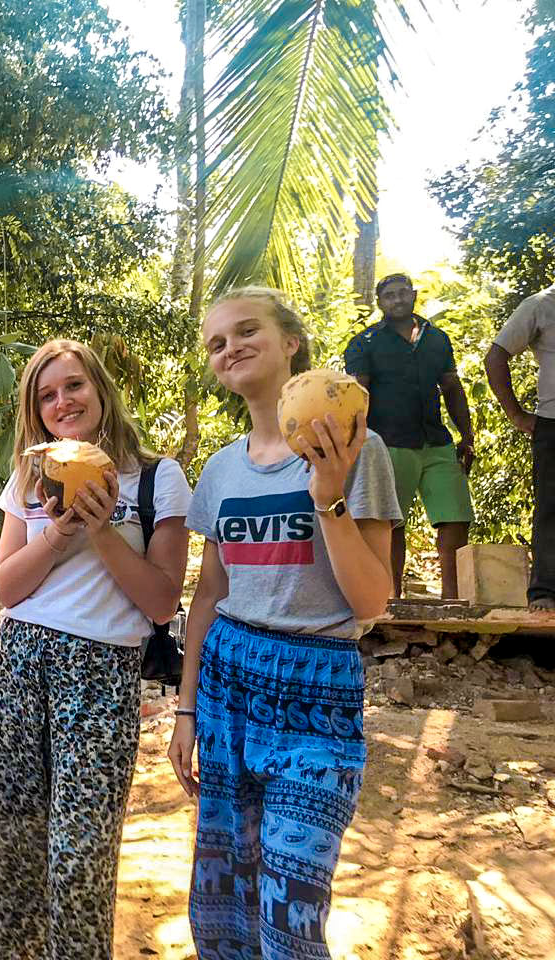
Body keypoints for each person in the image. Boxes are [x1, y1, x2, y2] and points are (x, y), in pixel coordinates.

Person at [170, 288, 401, 960]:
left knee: (290, 912)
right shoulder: (219, 470)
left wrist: (328, 497)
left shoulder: (361, 448)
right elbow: (210, 593)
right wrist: (185, 710)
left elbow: (371, 602)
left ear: (290, 341)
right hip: (228, 680)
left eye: (246, 332)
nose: (230, 349)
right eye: (216, 343)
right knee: (222, 904)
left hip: (317, 683)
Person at [0, 339, 191, 960]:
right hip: (22, 658)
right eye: (46, 395)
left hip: (102, 669)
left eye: (73, 386)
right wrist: (57, 534)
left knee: (81, 853)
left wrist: (101, 531)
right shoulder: (30, 472)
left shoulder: (157, 477)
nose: (62, 402)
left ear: (100, 389)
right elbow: (6, 589)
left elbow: (161, 603)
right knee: (15, 844)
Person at [343, 273, 474, 598]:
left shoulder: (437, 339)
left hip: (436, 441)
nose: (398, 299)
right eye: (390, 295)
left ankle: (452, 598)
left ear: (414, 295)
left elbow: (452, 388)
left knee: (455, 516)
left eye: (403, 293)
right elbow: (358, 394)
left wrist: (467, 436)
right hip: (387, 443)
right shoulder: (366, 342)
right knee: (389, 521)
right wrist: (354, 444)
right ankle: (389, 598)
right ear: (380, 302)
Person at [484, 285, 555, 612]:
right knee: (551, 508)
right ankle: (544, 592)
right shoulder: (541, 304)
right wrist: (515, 413)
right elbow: (496, 355)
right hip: (552, 422)